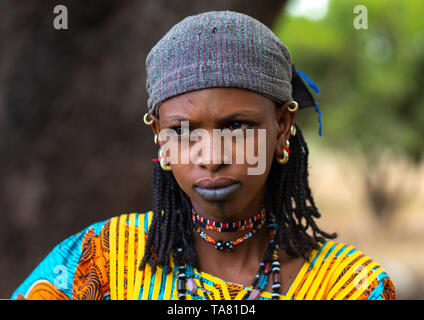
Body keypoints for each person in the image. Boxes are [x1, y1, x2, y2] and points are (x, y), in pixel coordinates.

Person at [11, 10, 396, 300]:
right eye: (181, 131)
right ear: (159, 135)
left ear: (281, 125)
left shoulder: (351, 286)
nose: (211, 157)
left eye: (237, 127)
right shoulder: (99, 263)